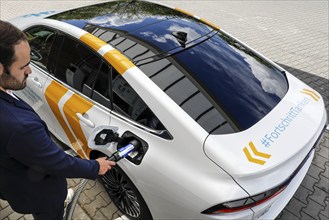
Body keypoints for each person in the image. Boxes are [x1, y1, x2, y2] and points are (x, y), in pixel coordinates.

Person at [0, 20, 116, 219]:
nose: (29, 71)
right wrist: (96, 167)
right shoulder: (20, 127)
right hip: (38, 195)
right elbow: (56, 163)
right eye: (24, 66)